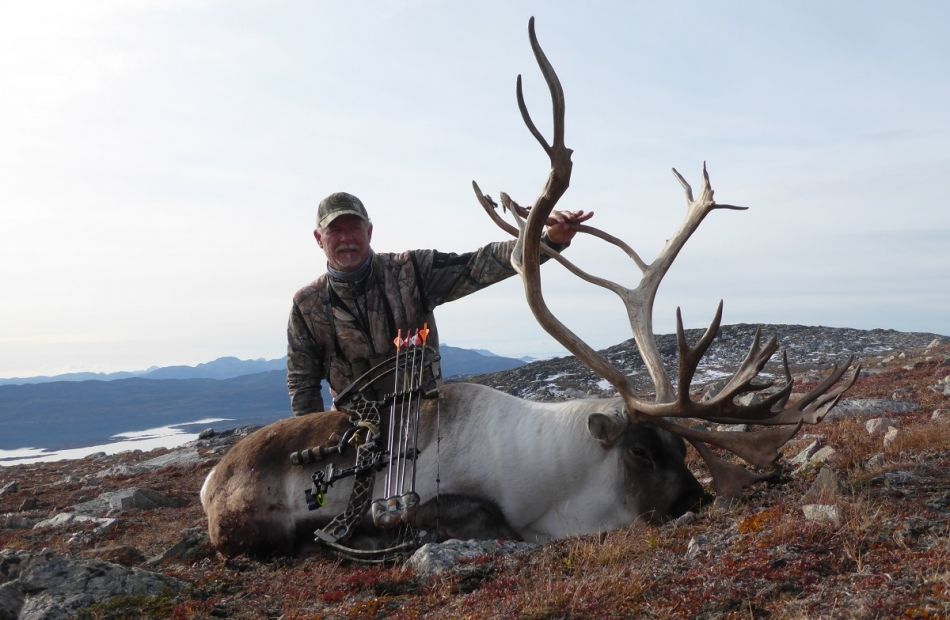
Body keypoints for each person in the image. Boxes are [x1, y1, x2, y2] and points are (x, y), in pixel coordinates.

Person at [286, 191, 592, 415]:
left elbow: (481, 264)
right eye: (335, 231)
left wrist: (549, 239)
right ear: (319, 238)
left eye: (353, 229)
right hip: (353, 432)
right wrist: (316, 444)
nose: (346, 239)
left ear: (369, 231)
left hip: (428, 419)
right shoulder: (307, 305)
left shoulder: (412, 270)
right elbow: (303, 385)